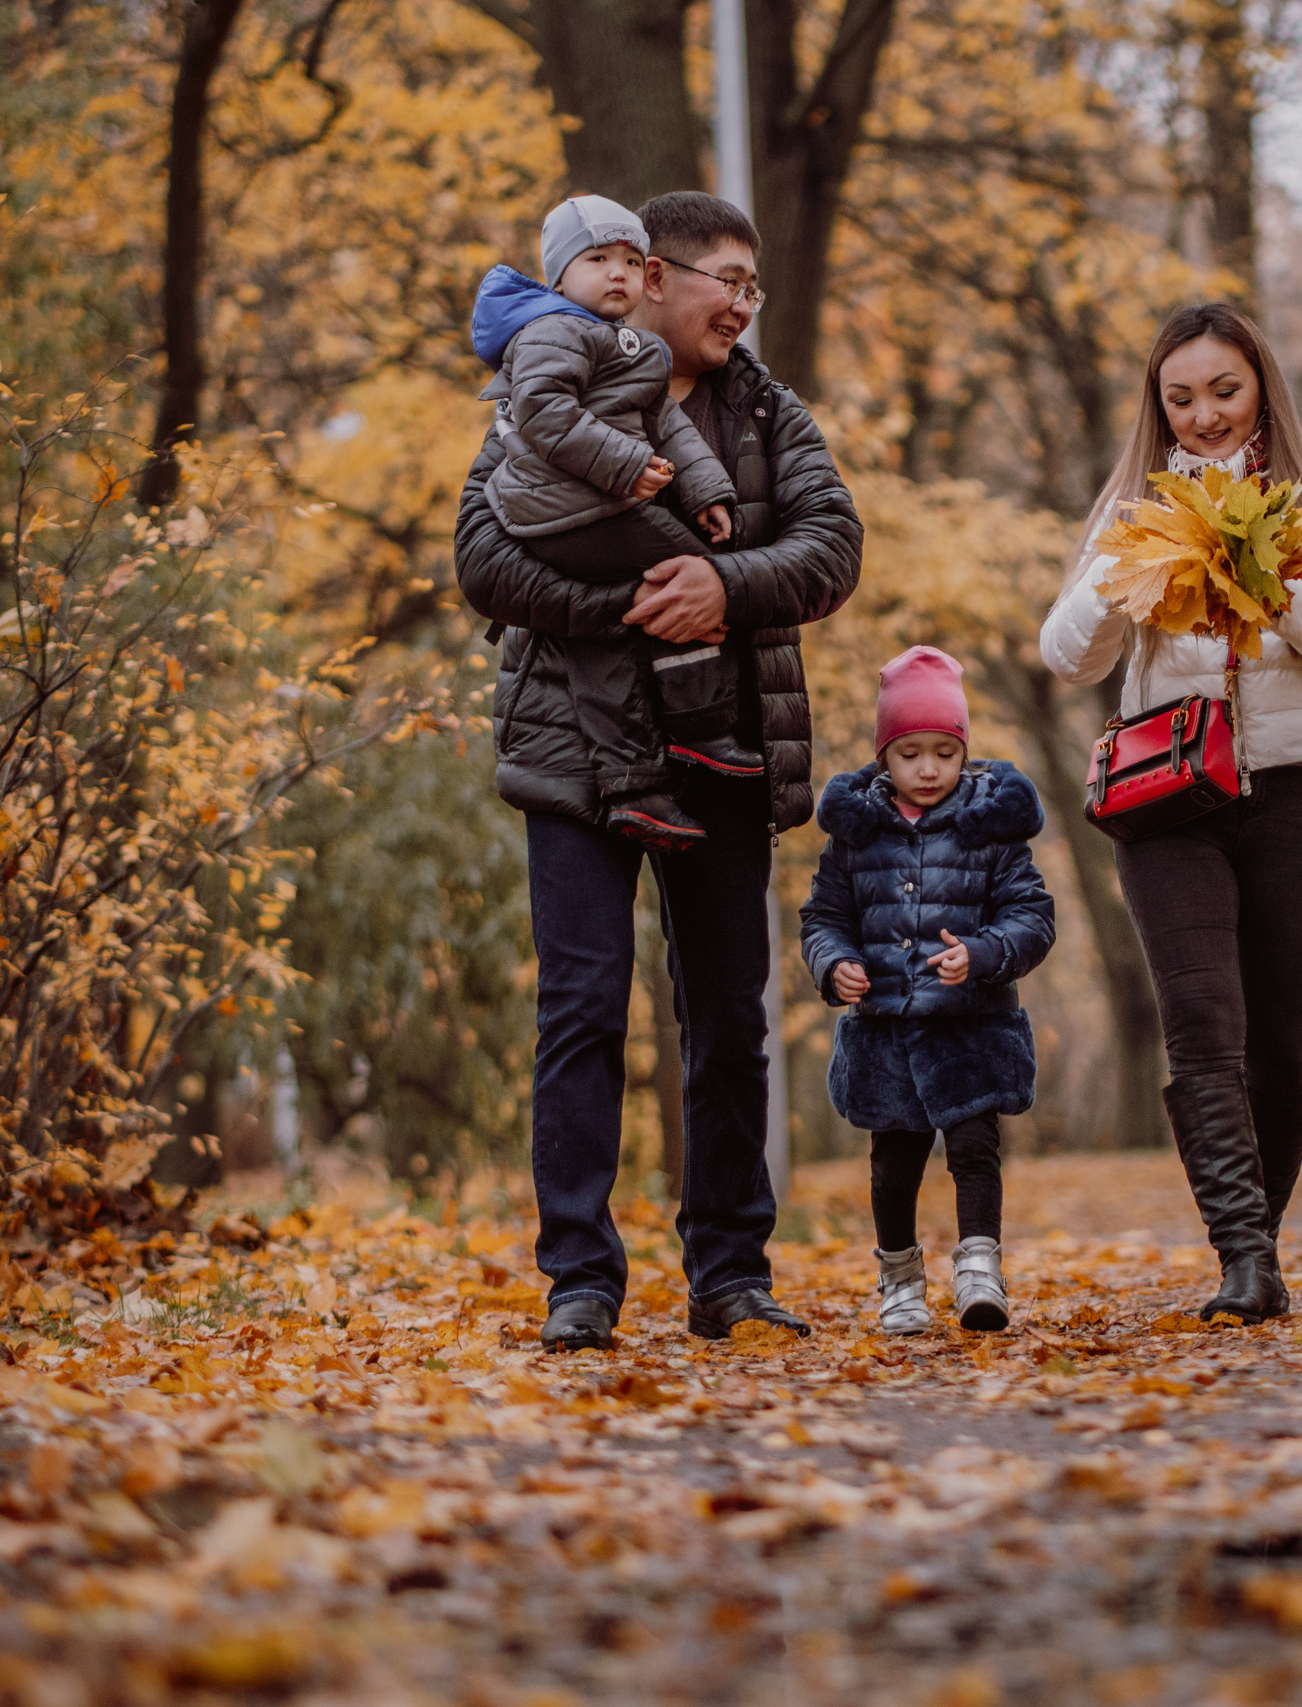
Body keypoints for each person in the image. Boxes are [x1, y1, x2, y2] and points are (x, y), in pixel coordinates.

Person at [455, 192, 863, 1352]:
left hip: (720, 746)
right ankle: (579, 1278)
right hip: (571, 751)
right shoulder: (556, 375)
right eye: (723, 278)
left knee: (729, 1018)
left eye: (755, 284)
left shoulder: (768, 411)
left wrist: (721, 590)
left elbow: (833, 548)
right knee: (581, 1009)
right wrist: (630, 606)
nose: (741, 302)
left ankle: (730, 1272)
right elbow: (480, 556)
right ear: (651, 275)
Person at [1039, 302, 1302, 1324]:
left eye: (1223, 392)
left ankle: (1259, 1243)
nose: (1202, 416)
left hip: (1301, 792)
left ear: (1261, 388)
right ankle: (1243, 1259)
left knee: (1283, 1051)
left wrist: (1276, 588)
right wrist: (1129, 573)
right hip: (1168, 796)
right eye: (1180, 398)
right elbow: (1067, 655)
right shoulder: (1129, 506)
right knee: (1201, 1027)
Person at [469, 195, 748, 851]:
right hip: (562, 509)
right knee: (683, 577)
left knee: (637, 618)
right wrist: (625, 466)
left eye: (628, 259)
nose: (617, 273)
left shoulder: (628, 343)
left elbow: (666, 422)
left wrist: (709, 490)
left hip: (600, 500)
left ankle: (643, 773)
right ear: (561, 275)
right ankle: (694, 729)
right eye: (598, 260)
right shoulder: (551, 332)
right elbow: (543, 415)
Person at [799, 648, 1056, 1336]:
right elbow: (823, 917)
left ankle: (979, 1267)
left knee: (974, 1146)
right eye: (910, 751)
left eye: (944, 751)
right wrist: (834, 965)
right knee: (894, 1161)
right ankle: (900, 1279)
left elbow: (1033, 917)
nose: (928, 767)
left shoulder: (990, 829)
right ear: (886, 754)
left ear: (962, 750)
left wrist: (981, 953)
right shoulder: (857, 836)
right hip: (885, 1029)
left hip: (969, 1027)